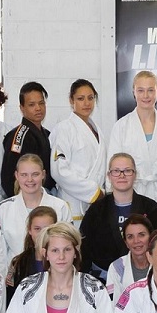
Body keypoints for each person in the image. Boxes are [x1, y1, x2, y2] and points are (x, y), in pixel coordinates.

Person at [79, 153, 157, 278]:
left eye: (127, 171)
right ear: (109, 176)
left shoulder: (151, 208)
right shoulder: (96, 210)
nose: (122, 175)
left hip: (145, 276)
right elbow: (85, 249)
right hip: (103, 279)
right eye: (116, 171)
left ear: (135, 175)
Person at [108, 70, 157, 214]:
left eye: (151, 90)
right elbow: (112, 165)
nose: (146, 96)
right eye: (141, 90)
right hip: (131, 194)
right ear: (134, 92)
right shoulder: (121, 126)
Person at [49, 78, 107, 225]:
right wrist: (93, 191)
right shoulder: (63, 129)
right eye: (80, 99)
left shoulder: (97, 130)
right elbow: (59, 171)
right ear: (71, 100)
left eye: (90, 98)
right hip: (73, 202)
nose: (86, 103)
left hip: (96, 203)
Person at [0, 153, 70, 264]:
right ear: (16, 175)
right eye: (24, 175)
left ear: (43, 174)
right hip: (15, 272)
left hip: (52, 271)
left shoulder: (60, 206)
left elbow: (68, 245)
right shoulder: (3, 208)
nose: (30, 180)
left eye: (35, 174)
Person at [1, 81, 55, 199]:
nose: (38, 108)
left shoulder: (47, 134)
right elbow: (8, 177)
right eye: (31, 104)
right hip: (25, 199)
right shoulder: (18, 136)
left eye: (41, 103)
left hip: (45, 196)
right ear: (22, 108)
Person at [3, 206, 58, 305]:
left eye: (47, 229)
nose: (42, 233)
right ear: (29, 230)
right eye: (37, 229)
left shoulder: (64, 260)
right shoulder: (18, 263)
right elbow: (11, 300)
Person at [106, 214, 155, 299]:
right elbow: (114, 304)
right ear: (126, 243)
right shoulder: (116, 267)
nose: (136, 241)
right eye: (130, 237)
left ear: (151, 238)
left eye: (141, 235)